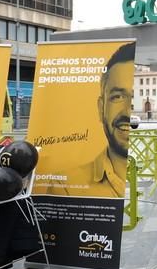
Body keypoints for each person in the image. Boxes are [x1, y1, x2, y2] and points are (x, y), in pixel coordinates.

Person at [46, 42, 136, 198]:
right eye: (118, 97)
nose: (127, 110)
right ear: (101, 108)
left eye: (133, 97)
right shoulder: (65, 185)